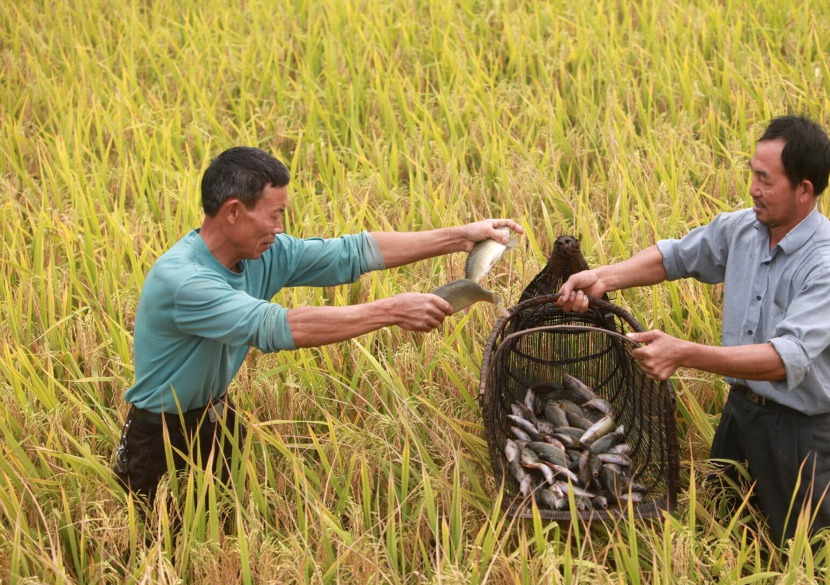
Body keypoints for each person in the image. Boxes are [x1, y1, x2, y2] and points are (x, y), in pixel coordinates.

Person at [113, 145, 523, 515]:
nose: (279, 227)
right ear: (234, 211)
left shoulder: (263, 252)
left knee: (224, 530)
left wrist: (459, 237)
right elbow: (278, 326)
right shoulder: (185, 281)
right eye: (273, 214)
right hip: (160, 437)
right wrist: (393, 310)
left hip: (217, 420)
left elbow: (351, 252)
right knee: (153, 549)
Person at [557, 115, 830, 546]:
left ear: (804, 190)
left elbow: (784, 357)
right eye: (752, 173)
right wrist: (604, 277)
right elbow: (675, 257)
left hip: (800, 434)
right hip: (741, 415)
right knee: (730, 539)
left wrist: (683, 353)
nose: (752, 187)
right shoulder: (744, 229)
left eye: (765, 179)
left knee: (818, 562)